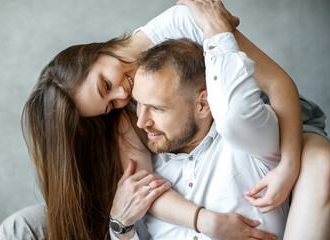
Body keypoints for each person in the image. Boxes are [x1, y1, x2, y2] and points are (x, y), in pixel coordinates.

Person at [0, 0, 330, 239]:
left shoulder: (178, 23)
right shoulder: (127, 119)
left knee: (318, 159)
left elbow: (278, 83)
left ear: (93, 53)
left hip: (282, 118)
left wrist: (288, 167)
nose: (121, 99)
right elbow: (145, 188)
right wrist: (205, 222)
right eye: (110, 105)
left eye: (106, 85)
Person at [110, 6, 289, 238]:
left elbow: (236, 109)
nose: (142, 122)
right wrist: (120, 224)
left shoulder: (250, 142)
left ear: (203, 105)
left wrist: (216, 29)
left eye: (156, 108)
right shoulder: (147, 179)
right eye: (138, 104)